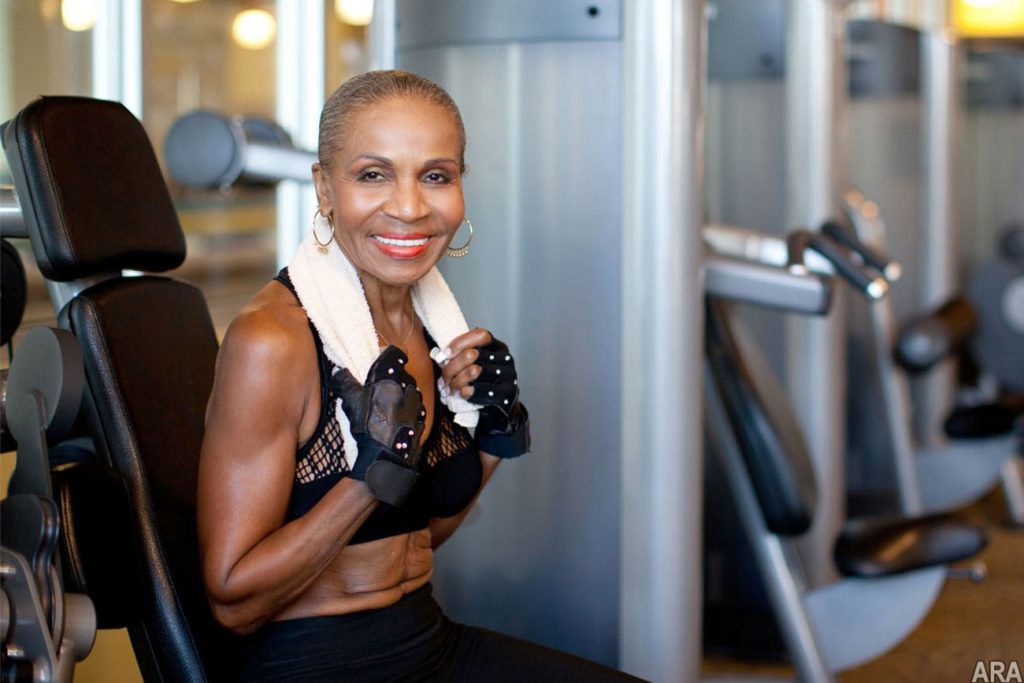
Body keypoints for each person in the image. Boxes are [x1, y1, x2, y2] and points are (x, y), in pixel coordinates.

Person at [197, 70, 643, 682]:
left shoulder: (432, 328)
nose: (409, 207)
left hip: (428, 644)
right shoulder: (273, 341)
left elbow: (418, 540)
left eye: (436, 176)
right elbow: (233, 602)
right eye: (373, 174)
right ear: (324, 188)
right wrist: (368, 479)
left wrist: (491, 433)